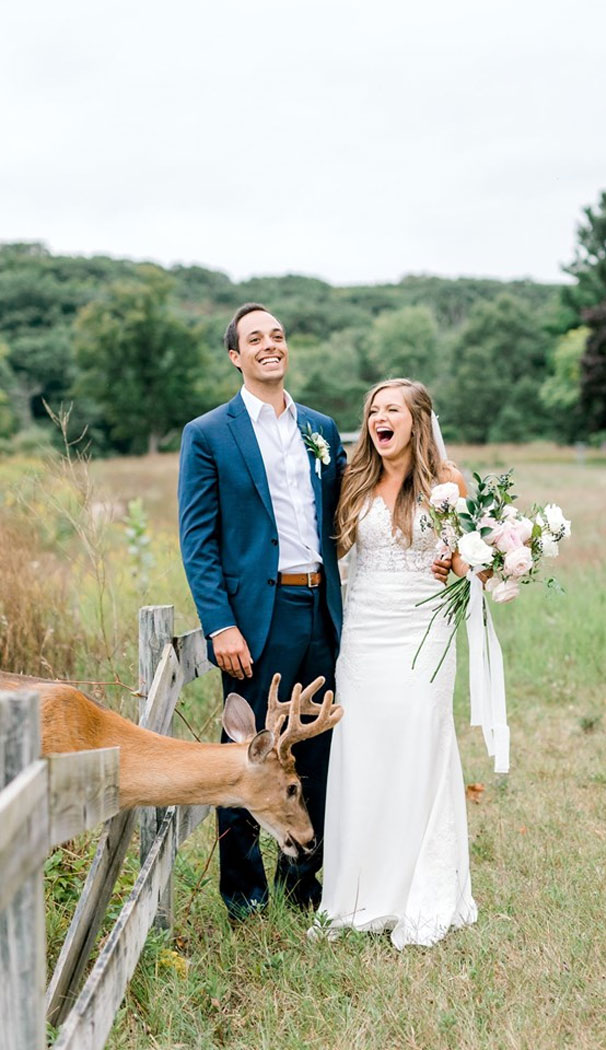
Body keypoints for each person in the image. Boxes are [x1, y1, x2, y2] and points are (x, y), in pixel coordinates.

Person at [178, 302, 346, 921]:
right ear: (236, 356)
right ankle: (244, 896)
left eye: (278, 335)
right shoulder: (209, 433)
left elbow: (343, 517)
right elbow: (198, 541)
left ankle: (302, 889)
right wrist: (221, 623)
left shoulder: (322, 430)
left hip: (321, 610)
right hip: (254, 619)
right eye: (256, 338)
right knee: (249, 756)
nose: (270, 345)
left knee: (316, 751)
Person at [314, 378, 478, 949]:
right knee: (362, 749)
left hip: (423, 633)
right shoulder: (354, 480)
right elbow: (332, 550)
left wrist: (459, 562)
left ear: (417, 421)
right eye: (373, 411)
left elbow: (465, 562)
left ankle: (418, 887)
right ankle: (359, 890)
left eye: (392, 410)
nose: (379, 419)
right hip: (363, 634)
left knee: (417, 741)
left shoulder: (448, 482)